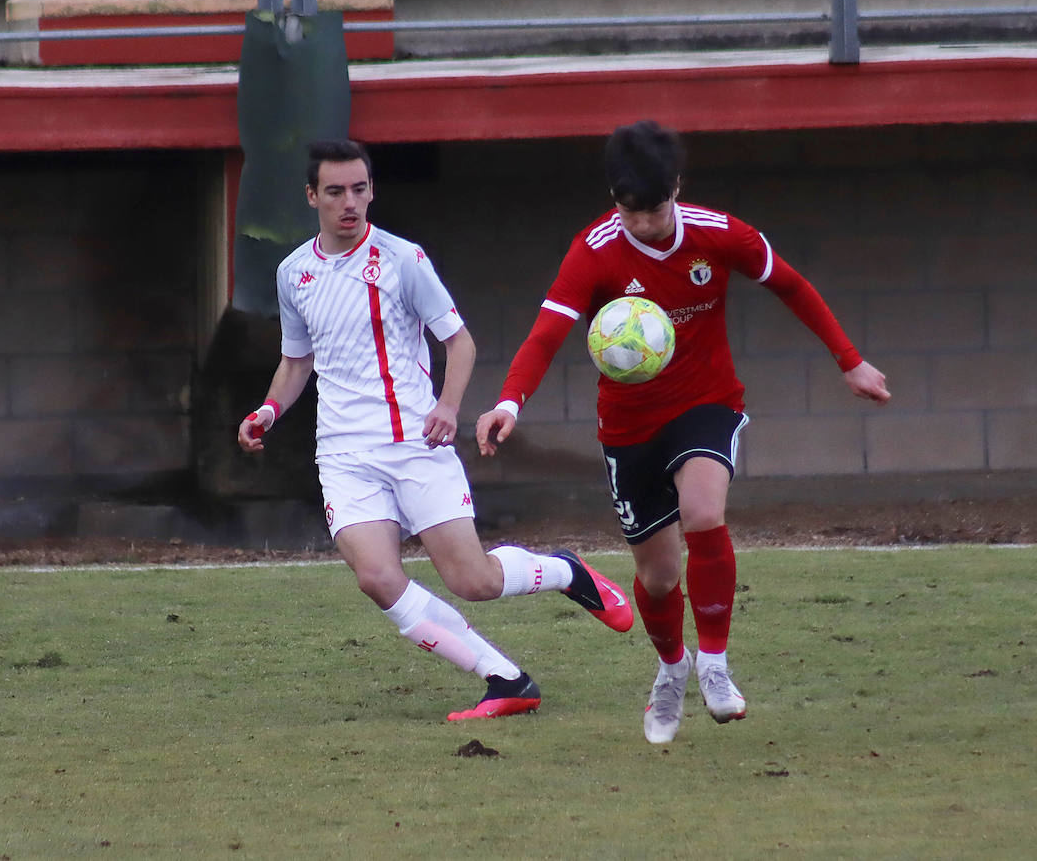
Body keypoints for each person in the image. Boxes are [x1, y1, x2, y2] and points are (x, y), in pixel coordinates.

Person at [475, 120, 891, 744]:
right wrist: (509, 400)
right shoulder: (594, 249)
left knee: (703, 513)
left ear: (677, 186)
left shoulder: (721, 234)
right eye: (629, 211)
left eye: (654, 208)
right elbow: (546, 332)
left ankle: (716, 664)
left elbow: (791, 285)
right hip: (628, 426)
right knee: (660, 576)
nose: (643, 224)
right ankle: (673, 669)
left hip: (705, 403)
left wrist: (849, 359)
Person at [237, 138, 632, 722]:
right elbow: (298, 361)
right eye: (337, 191)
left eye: (360, 189)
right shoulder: (293, 273)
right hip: (343, 456)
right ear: (312, 196)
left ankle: (566, 571)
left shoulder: (403, 260)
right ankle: (504, 678)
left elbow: (459, 342)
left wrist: (447, 407)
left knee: (473, 581)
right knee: (376, 578)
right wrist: (268, 410)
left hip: (416, 446)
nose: (351, 202)